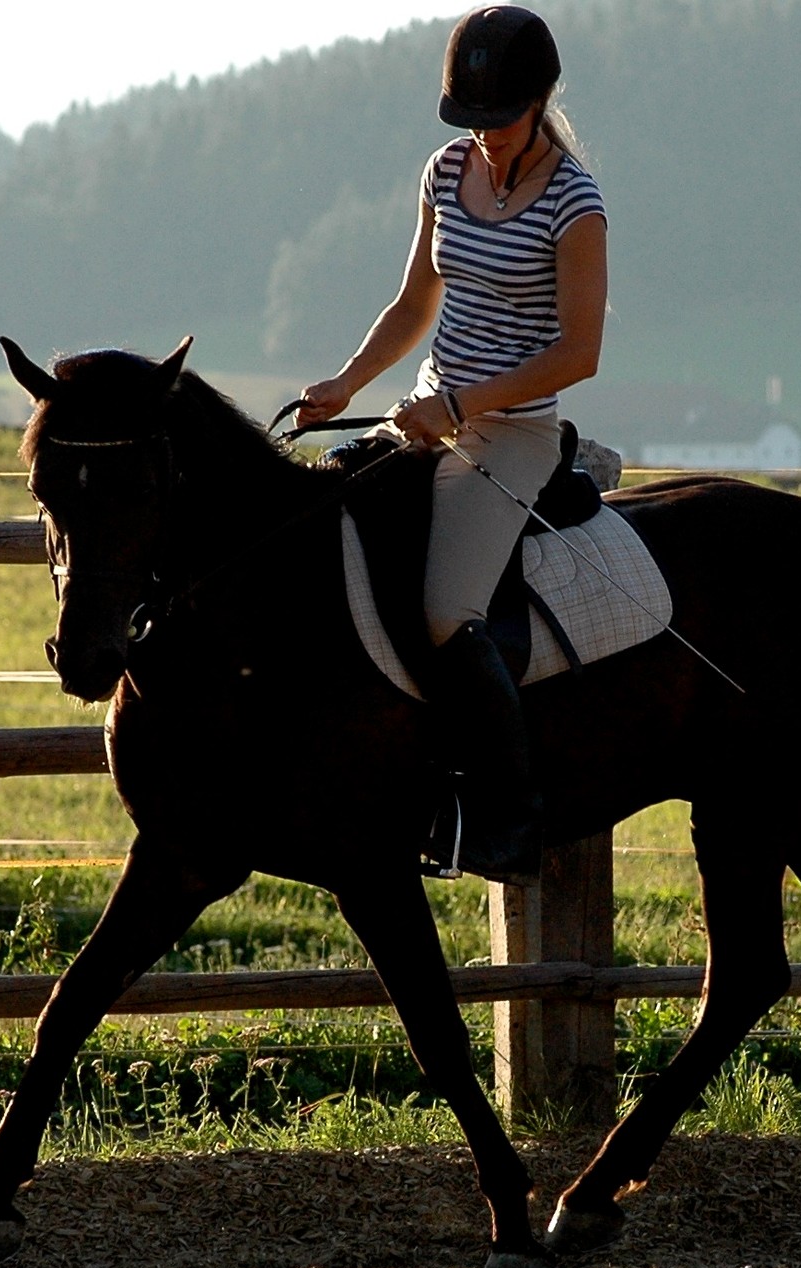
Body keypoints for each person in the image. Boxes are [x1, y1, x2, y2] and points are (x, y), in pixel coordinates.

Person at [294, 5, 608, 886]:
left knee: (444, 611)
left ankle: (508, 815)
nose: (484, 136)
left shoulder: (577, 204)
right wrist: (346, 385)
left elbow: (579, 353)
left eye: (499, 119)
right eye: (469, 119)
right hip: (426, 413)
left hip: (513, 434)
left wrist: (465, 402)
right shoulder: (442, 172)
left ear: (541, 100)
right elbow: (412, 306)